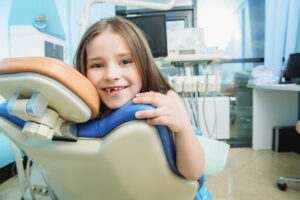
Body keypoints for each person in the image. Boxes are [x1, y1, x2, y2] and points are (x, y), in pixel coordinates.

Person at [74, 16, 204, 182]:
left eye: (125, 61)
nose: (111, 75)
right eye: (97, 65)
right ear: (83, 71)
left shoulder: (166, 100)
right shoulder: (83, 113)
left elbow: (194, 173)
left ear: (143, 63)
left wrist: (183, 127)